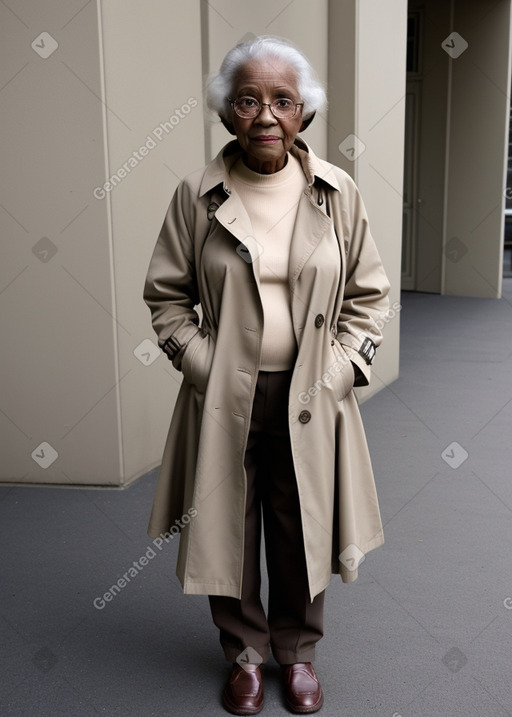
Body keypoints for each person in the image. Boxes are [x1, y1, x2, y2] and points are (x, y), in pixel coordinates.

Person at [144, 35, 390, 715]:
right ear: (228, 112)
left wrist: (339, 373)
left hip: (315, 392)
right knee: (228, 522)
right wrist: (201, 366)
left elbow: (370, 297)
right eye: (248, 99)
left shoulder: (338, 194)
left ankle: (298, 652)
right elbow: (166, 298)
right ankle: (246, 655)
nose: (265, 114)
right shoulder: (198, 197)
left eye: (282, 99)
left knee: (302, 521)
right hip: (226, 394)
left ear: (304, 112)